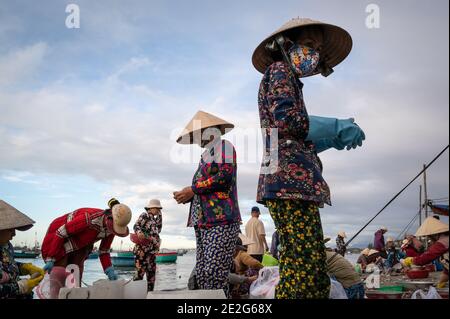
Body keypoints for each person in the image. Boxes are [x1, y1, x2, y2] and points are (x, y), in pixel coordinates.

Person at [253, 18, 365, 299]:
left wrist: (331, 139)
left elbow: (290, 141)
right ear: (286, 44)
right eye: (309, 45)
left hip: (283, 180)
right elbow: (288, 121)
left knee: (301, 265)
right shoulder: (279, 70)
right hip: (288, 186)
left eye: (317, 48)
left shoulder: (288, 81)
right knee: (307, 268)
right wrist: (336, 125)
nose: (314, 54)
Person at [173, 110, 241, 296]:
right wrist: (187, 195)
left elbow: (225, 176)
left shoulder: (225, 147)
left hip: (221, 220)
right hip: (202, 222)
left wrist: (192, 190)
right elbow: (203, 188)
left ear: (213, 130)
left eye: (200, 134)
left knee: (214, 274)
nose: (198, 140)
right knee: (202, 274)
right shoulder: (204, 157)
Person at [41, 198, 132, 281]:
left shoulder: (111, 230)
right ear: (109, 218)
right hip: (57, 240)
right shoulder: (88, 219)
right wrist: (51, 258)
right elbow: (60, 232)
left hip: (80, 246)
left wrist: (108, 269)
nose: (113, 230)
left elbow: (104, 251)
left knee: (75, 278)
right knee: (59, 278)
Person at [1, 200, 45, 299]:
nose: (14, 234)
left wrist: (24, 267)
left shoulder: (7, 246)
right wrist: (20, 287)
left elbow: (7, 265)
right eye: (10, 229)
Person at [401, 217, 449, 288]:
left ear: (434, 234)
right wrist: (441, 282)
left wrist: (411, 260)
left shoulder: (443, 241)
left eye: (429, 236)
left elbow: (426, 258)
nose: (429, 238)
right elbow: (447, 269)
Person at [132, 199, 163, 292]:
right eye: (157, 208)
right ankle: (136, 295)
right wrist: (139, 232)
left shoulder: (154, 219)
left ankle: (149, 295)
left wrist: (160, 215)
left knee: (151, 277)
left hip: (152, 252)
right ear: (151, 208)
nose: (158, 210)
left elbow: (159, 229)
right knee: (139, 275)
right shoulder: (144, 215)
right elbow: (136, 225)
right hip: (142, 251)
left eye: (159, 209)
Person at [230, 234, 263, 298]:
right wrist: (263, 267)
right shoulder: (242, 254)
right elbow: (255, 263)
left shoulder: (229, 257)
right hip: (238, 283)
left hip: (234, 283)